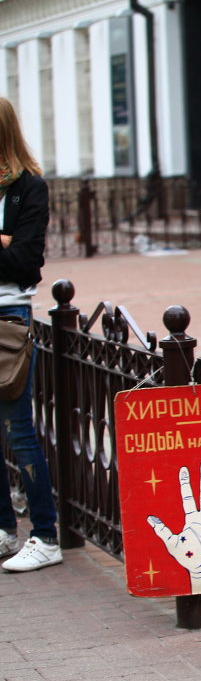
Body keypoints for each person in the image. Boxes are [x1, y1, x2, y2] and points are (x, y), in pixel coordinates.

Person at [0, 97, 59, 573]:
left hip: (8, 318)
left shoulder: (28, 188)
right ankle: (4, 530)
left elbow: (25, 263)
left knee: (19, 431)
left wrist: (10, 245)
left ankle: (46, 535)